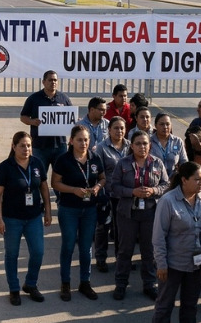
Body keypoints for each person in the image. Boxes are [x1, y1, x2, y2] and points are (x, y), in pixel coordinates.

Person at [0, 131, 52, 306]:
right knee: (12, 254)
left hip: (34, 217)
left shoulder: (37, 163)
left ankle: (30, 284)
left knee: (38, 252)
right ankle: (14, 289)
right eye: (22, 145)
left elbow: (44, 188)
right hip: (12, 219)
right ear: (14, 147)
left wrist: (48, 211)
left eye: (29, 145)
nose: (26, 149)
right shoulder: (5, 167)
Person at [152, 161, 201, 323]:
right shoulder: (168, 201)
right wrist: (161, 264)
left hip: (197, 265)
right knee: (164, 306)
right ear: (184, 180)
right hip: (172, 265)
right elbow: (159, 236)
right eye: (197, 179)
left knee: (190, 306)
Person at [110, 130, 170, 301]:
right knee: (125, 250)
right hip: (127, 213)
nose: (142, 147)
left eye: (145, 143)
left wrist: (153, 190)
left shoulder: (157, 163)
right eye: (138, 143)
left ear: (149, 145)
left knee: (148, 251)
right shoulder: (123, 163)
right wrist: (132, 192)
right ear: (132, 146)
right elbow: (114, 186)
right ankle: (121, 284)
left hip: (150, 213)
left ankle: (149, 284)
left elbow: (166, 185)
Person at [51, 125, 105, 301]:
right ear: (71, 141)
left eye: (86, 140)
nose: (83, 143)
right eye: (80, 139)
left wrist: (97, 186)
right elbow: (55, 183)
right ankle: (65, 283)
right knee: (68, 245)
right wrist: (73, 190)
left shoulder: (95, 158)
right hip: (69, 209)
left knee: (86, 247)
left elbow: (103, 178)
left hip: (89, 209)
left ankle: (85, 282)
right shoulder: (63, 160)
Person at [20, 70, 73, 177]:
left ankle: (60, 194)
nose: (53, 82)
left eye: (55, 80)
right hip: (40, 146)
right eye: (50, 80)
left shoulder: (64, 98)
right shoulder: (34, 98)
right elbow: (23, 117)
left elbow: (71, 117)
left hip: (60, 146)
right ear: (43, 82)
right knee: (39, 176)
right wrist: (32, 122)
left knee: (62, 176)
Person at [95, 116, 130, 273]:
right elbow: (99, 173)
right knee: (103, 227)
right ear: (109, 130)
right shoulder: (101, 148)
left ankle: (120, 259)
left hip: (125, 195)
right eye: (116, 128)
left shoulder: (130, 146)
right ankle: (101, 258)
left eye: (122, 128)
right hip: (107, 194)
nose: (119, 131)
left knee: (121, 230)